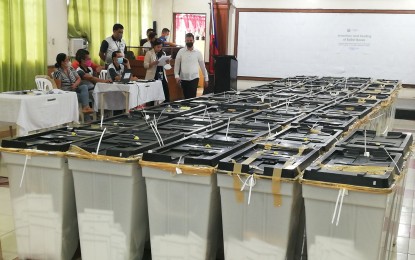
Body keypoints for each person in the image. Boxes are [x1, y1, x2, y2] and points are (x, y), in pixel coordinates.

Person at [174, 33, 208, 99]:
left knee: (192, 97)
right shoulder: (181, 52)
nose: (189, 42)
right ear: (185, 41)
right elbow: (177, 65)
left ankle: (193, 108)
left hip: (194, 78)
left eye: (191, 40)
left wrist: (206, 78)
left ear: (193, 41)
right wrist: (176, 76)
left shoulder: (198, 52)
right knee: (186, 97)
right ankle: (187, 109)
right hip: (183, 78)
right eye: (187, 40)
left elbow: (203, 67)